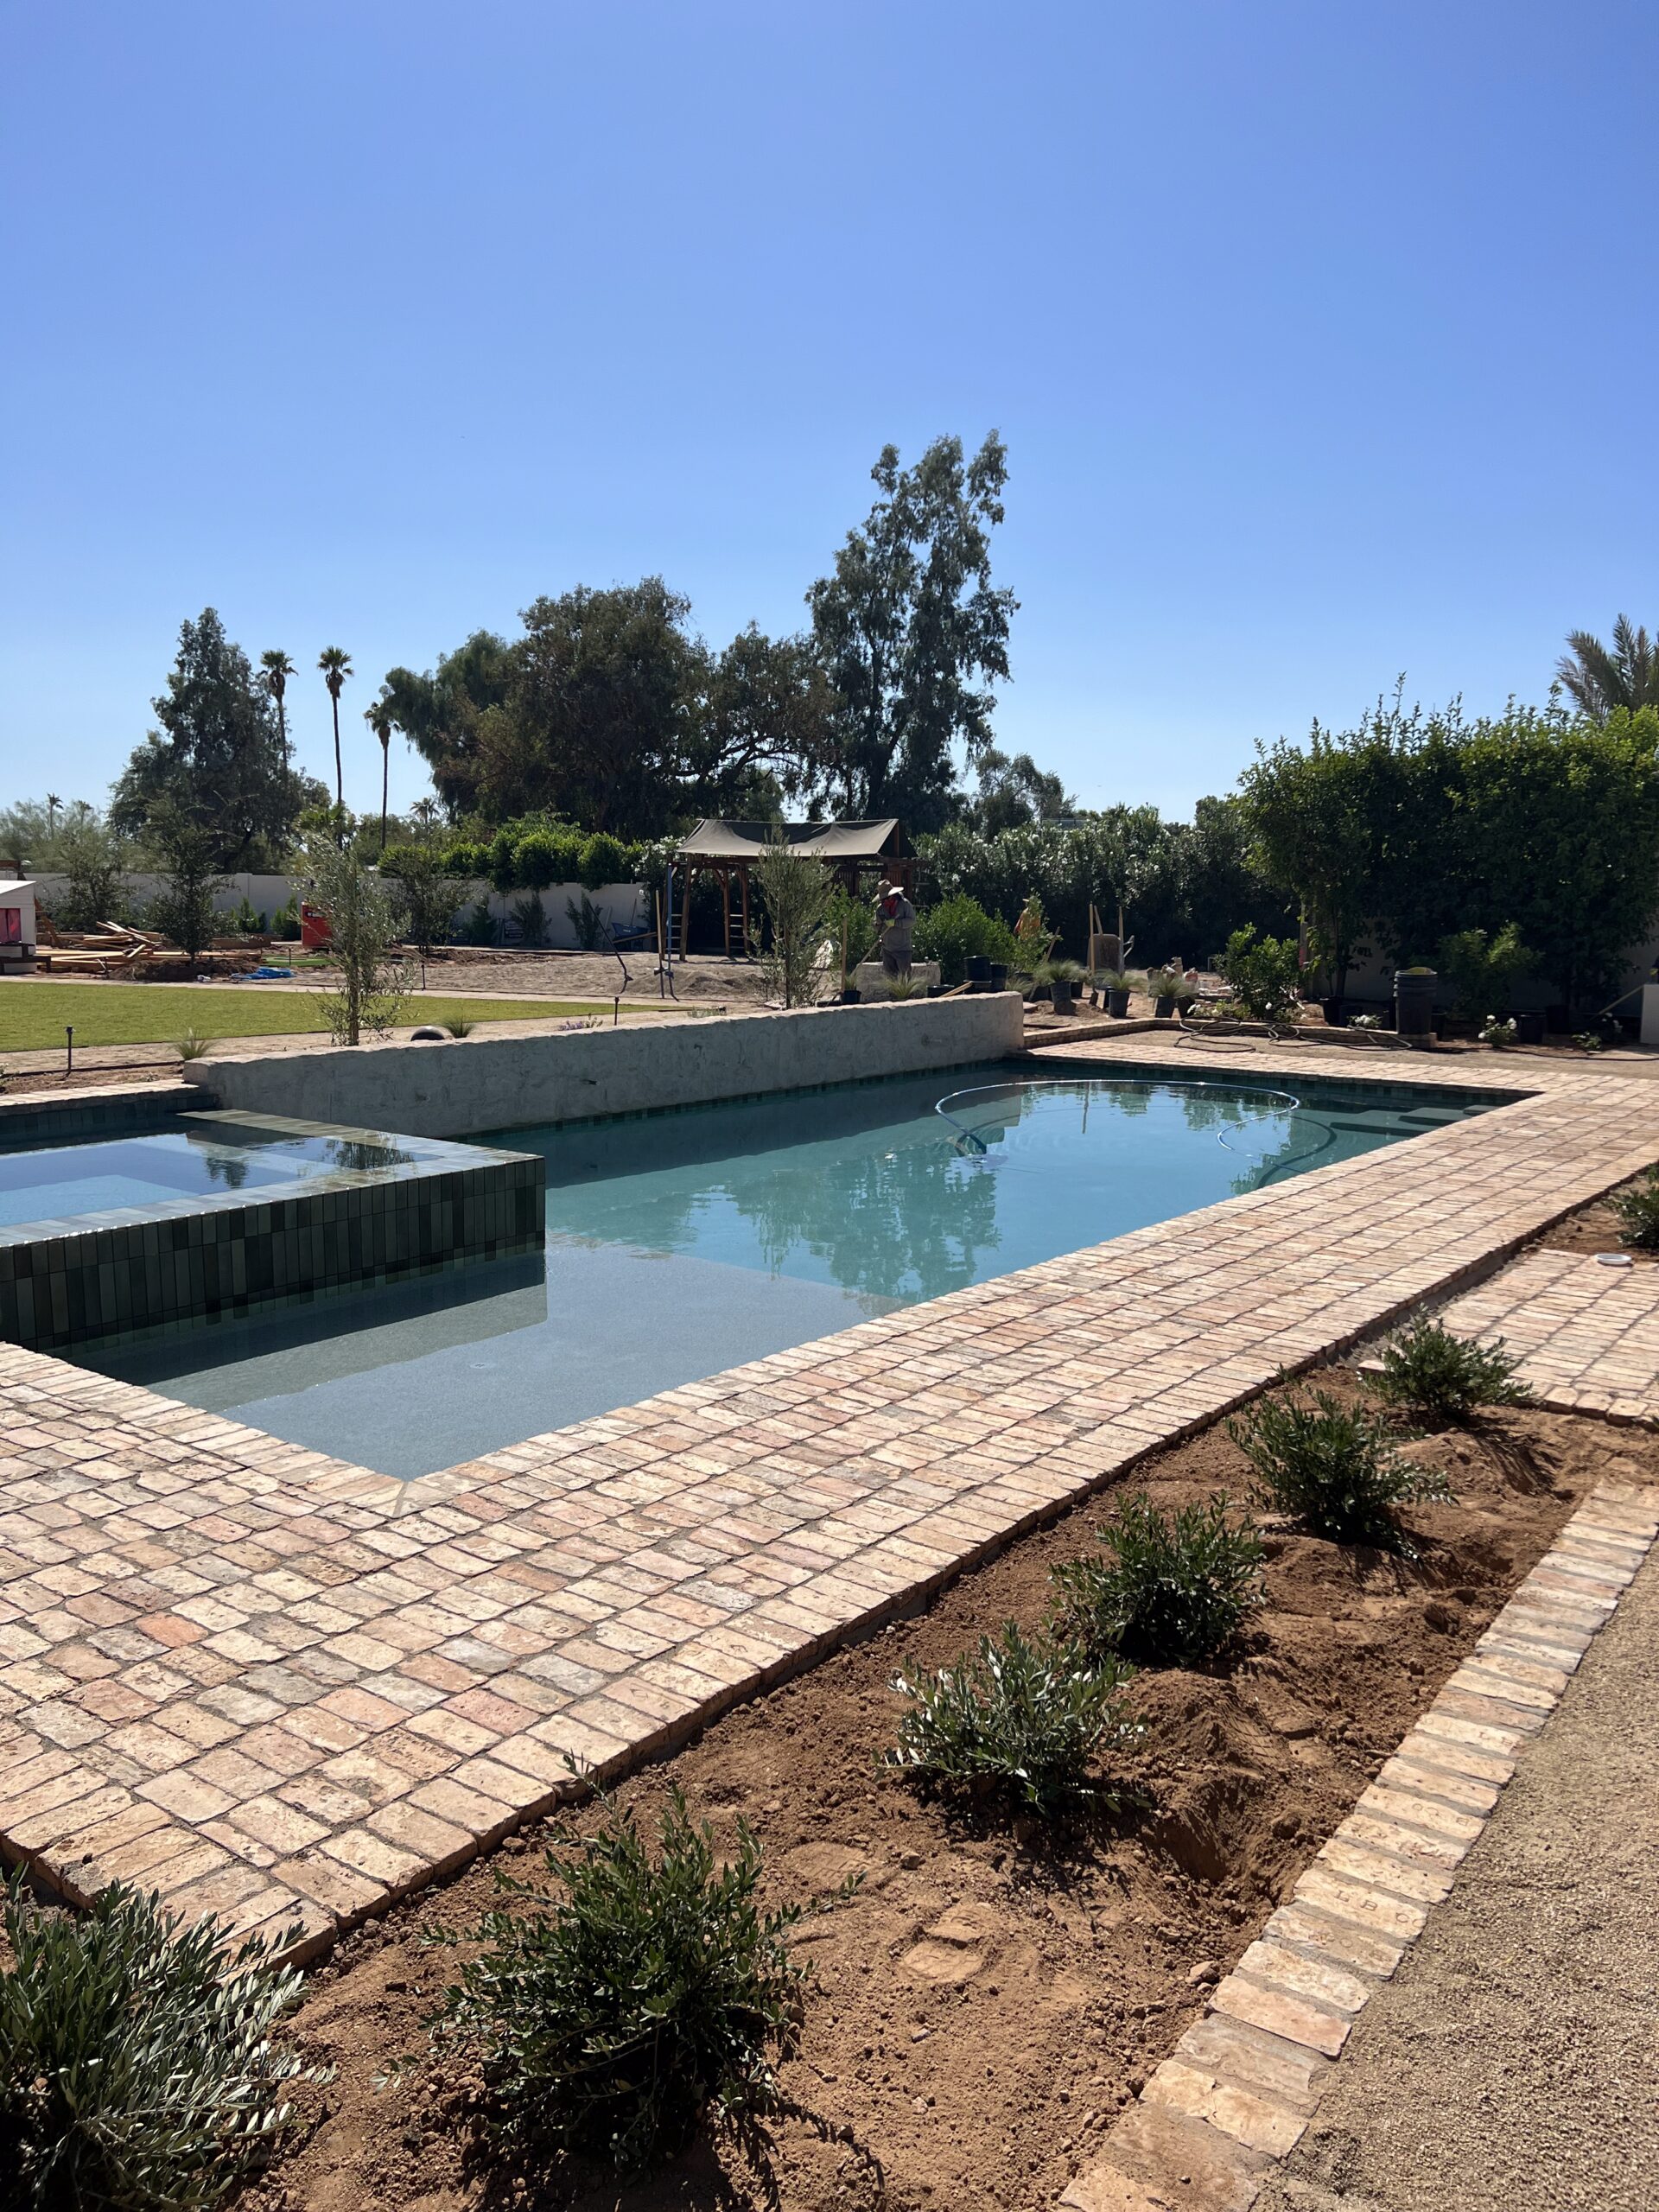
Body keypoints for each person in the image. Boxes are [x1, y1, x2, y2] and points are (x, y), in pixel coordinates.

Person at [873, 878, 915, 982]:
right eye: (883, 899)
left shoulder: (905, 905)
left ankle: (906, 997)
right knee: (891, 978)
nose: (885, 901)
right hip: (887, 949)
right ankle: (893, 997)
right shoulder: (880, 909)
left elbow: (912, 921)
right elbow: (875, 926)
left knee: (904, 978)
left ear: (892, 896)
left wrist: (896, 923)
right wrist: (877, 924)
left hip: (903, 949)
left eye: (887, 898)